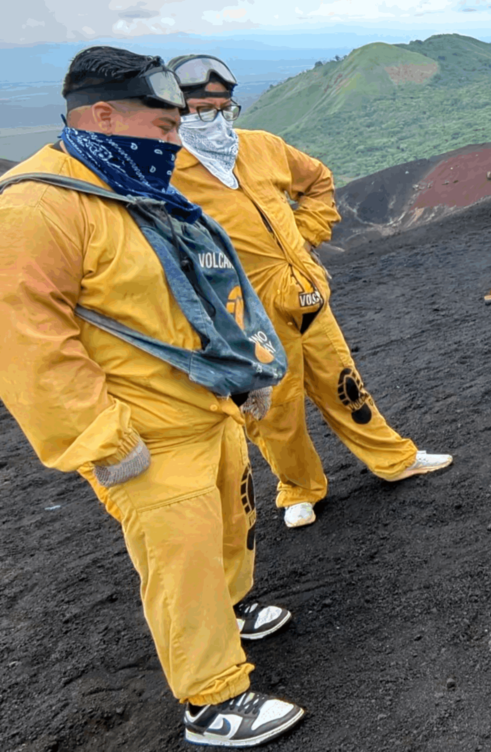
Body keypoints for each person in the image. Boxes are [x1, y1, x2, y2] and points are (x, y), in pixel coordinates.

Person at [0, 47, 306, 746]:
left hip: (205, 405)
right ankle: (214, 701)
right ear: (104, 114)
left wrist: (248, 372)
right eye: (164, 128)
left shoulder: (131, 183)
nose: (175, 144)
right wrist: (102, 442)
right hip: (145, 434)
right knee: (182, 563)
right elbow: (26, 343)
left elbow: (202, 286)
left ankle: (231, 610)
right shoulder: (36, 208)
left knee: (230, 530)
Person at [167, 54, 453, 530]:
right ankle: (298, 487)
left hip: (304, 296)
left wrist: (304, 234)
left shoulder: (261, 147)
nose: (213, 119)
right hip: (244, 317)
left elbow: (318, 180)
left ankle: (394, 459)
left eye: (223, 108)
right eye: (200, 108)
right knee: (274, 410)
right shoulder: (168, 174)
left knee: (345, 384)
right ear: (175, 109)